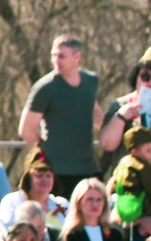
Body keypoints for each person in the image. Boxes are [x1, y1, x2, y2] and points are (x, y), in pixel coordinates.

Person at [19, 36, 100, 184]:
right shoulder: (45, 88)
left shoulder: (91, 81)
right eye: (53, 55)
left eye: (61, 56)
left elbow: (95, 112)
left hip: (88, 168)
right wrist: (46, 158)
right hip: (56, 172)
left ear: (77, 57)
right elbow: (26, 130)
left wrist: (115, 126)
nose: (56, 60)